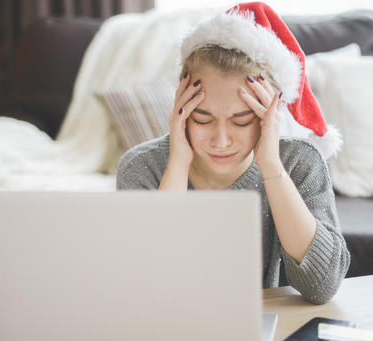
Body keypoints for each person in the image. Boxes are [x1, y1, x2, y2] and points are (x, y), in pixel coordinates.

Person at [116, 2, 349, 304]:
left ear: (271, 113)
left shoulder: (301, 163)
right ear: (180, 107)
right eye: (202, 119)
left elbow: (322, 286)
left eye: (242, 121)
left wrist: (272, 168)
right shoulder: (140, 168)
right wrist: (177, 164)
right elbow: (145, 286)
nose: (221, 141)